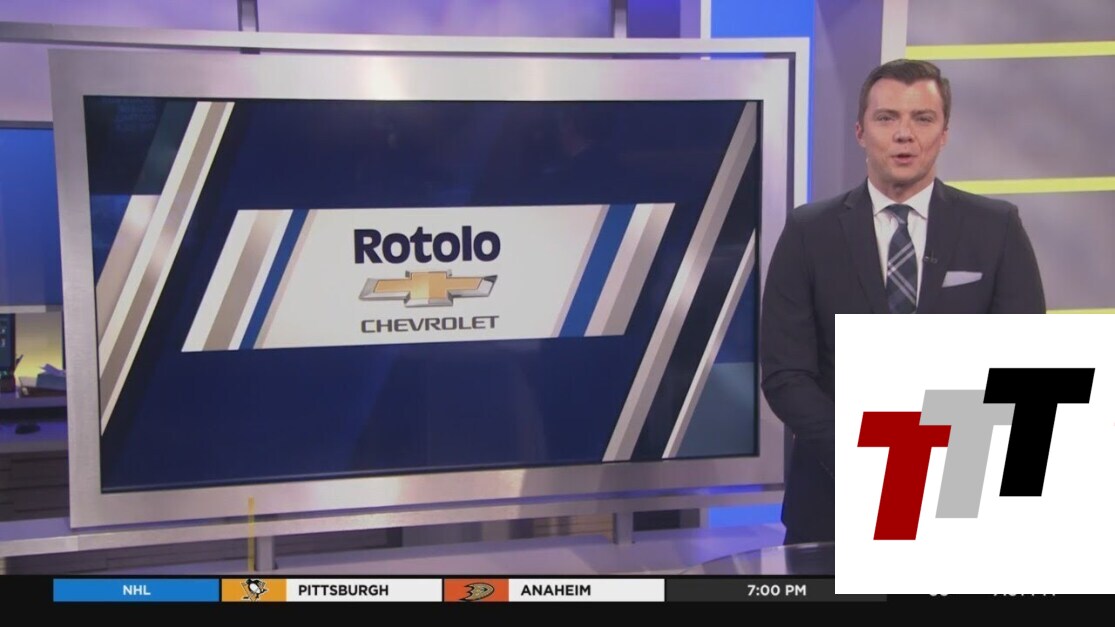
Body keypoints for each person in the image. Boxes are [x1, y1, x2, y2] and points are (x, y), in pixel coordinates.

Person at [760, 59, 1045, 545]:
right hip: (834, 502)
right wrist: (870, 456)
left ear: (945, 133)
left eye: (923, 118)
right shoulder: (809, 232)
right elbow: (786, 374)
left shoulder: (996, 228)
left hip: (961, 496)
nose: (904, 134)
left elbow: (1024, 363)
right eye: (887, 117)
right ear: (860, 131)